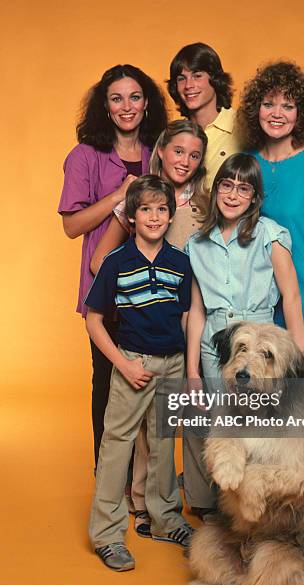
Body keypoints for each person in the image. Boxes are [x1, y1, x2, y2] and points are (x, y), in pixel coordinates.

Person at [237, 60, 304, 530]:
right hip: (261, 305)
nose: (277, 112)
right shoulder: (247, 167)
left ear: (302, 113)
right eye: (269, 102)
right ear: (255, 108)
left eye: (288, 104)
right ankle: (264, 514)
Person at [58, 65, 167, 489]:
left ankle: (144, 483)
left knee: (154, 384)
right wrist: (120, 195)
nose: (127, 106)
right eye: (117, 98)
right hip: (106, 288)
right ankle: (108, 478)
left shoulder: (158, 151)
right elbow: (72, 225)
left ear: (147, 102)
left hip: (156, 288)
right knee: (107, 381)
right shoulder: (84, 155)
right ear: (104, 105)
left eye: (135, 97)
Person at [184, 152, 303, 514]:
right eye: (226, 185)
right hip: (216, 346)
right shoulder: (198, 244)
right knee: (218, 429)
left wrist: (292, 361)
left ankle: (251, 513)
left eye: (243, 188)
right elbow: (197, 310)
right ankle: (208, 510)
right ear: (216, 189)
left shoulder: (270, 235)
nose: (233, 195)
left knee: (257, 432)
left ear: (254, 197)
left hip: (258, 342)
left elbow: (292, 296)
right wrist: (192, 372)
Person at [85, 175, 194, 571]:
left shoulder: (181, 262)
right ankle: (106, 533)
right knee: (117, 445)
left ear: (170, 216)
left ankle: (165, 518)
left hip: (173, 364)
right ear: (131, 217)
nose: (153, 216)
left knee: (164, 443)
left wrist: (187, 369)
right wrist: (124, 364)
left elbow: (185, 318)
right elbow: (94, 321)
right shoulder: (116, 263)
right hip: (132, 362)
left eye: (161, 209)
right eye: (145, 209)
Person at [167, 42, 304, 187]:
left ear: (215, 80)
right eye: (181, 78)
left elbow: (285, 147)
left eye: (197, 76)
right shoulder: (174, 134)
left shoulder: (243, 123)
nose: (189, 85)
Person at [90, 118, 209, 275]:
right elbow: (98, 263)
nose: (185, 162)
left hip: (193, 298)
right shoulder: (137, 196)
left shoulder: (207, 204)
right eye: (178, 151)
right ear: (161, 150)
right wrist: (135, 287)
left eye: (194, 156)